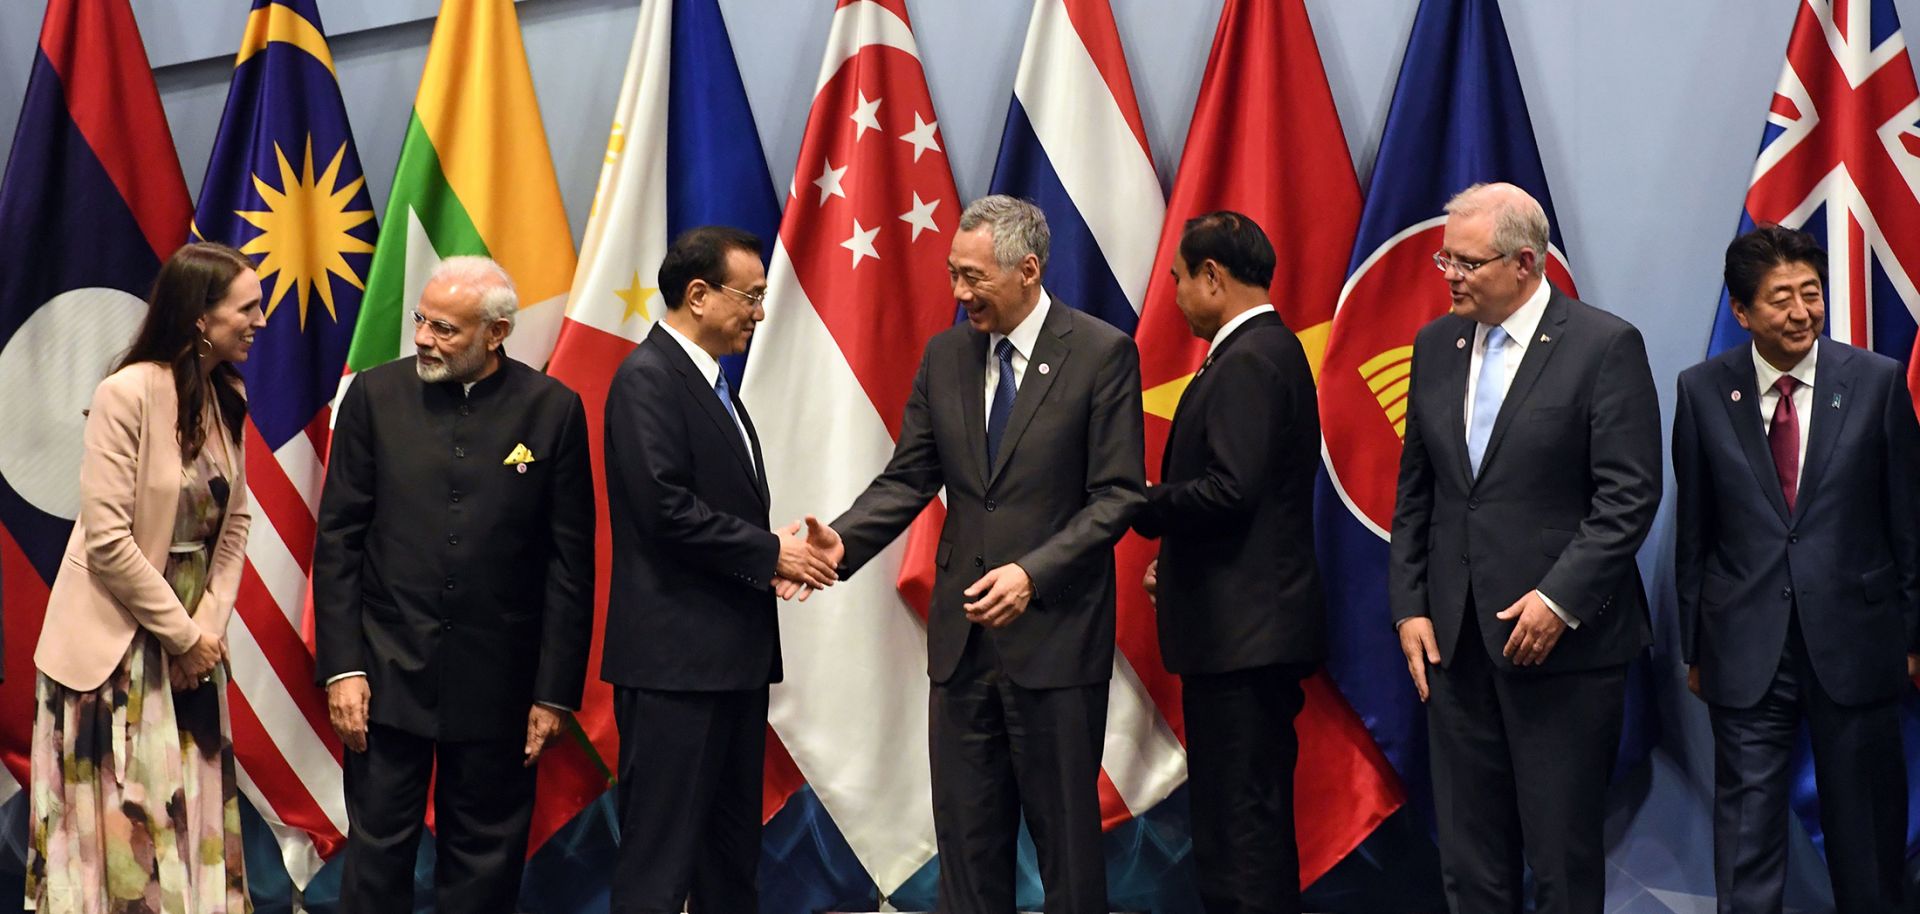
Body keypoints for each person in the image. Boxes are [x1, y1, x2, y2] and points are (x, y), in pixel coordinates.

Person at [804, 195, 1145, 913]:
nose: (959, 295)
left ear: (1027, 270)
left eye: (973, 278)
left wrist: (1032, 573)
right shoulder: (946, 354)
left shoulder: (1101, 353)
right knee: (967, 848)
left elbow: (1116, 497)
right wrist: (845, 540)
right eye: (953, 276)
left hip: (1055, 644)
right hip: (962, 652)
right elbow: (909, 475)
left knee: (1068, 857)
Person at [1389, 182, 1661, 914]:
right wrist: (1410, 606)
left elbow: (1629, 496)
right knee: (1471, 857)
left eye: (1466, 263)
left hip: (1563, 655)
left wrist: (1558, 600)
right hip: (1454, 643)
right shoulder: (1435, 344)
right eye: (1445, 257)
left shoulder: (1604, 346)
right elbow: (1419, 491)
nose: (1449, 274)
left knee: (1561, 860)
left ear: (1525, 264)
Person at [313, 256, 594, 914]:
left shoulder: (552, 410)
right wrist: (342, 668)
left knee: (485, 866)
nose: (423, 339)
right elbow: (339, 543)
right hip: (384, 674)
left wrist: (553, 693)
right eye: (422, 320)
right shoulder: (374, 397)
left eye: (445, 329)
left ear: (495, 334)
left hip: (500, 682)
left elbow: (569, 563)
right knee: (377, 856)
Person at [1674, 225, 1918, 914]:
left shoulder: (1874, 382)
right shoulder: (1700, 392)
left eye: (1811, 294)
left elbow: (1908, 520)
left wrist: (1912, 636)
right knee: (1747, 848)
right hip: (1745, 650)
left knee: (1866, 844)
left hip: (1858, 644)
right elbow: (1696, 531)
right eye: (1780, 299)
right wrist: (1696, 644)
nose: (1801, 312)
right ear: (1742, 310)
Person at [600, 226, 836, 913]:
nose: (760, 313)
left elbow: (710, 507)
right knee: (660, 859)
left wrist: (773, 555)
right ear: (698, 295)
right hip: (675, 669)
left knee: (730, 856)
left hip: (728, 662)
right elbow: (664, 509)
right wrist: (769, 554)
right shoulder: (647, 378)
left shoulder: (710, 385)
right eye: (752, 296)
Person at [29, 242, 264, 911]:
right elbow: (107, 541)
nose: (261, 320)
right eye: (247, 307)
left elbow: (234, 525)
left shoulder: (228, 395)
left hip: (192, 655)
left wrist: (206, 635)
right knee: (128, 837)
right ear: (199, 316)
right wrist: (183, 636)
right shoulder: (124, 393)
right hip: (117, 656)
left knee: (192, 827)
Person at [1132, 211, 1324, 914]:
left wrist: (1139, 504)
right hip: (1244, 632)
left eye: (1180, 279)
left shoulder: (1248, 359)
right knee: (1243, 818)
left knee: (1240, 826)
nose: (1175, 295)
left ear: (1214, 276)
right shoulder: (1266, 351)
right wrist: (1177, 552)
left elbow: (1231, 489)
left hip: (1243, 641)